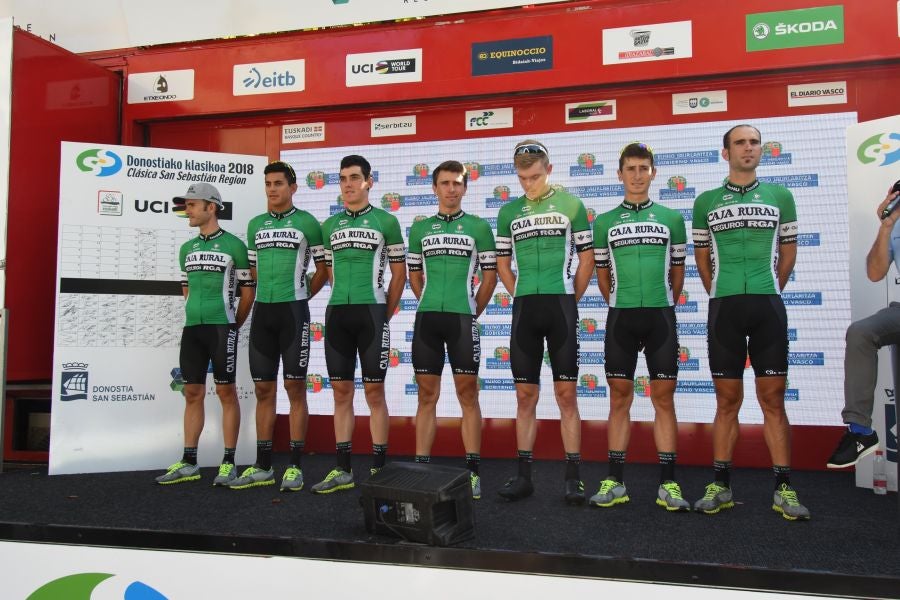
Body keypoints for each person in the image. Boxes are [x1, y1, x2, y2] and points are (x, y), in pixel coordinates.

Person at [692, 124, 809, 520]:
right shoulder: (705, 200)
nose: (748, 148)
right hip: (724, 306)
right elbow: (702, 259)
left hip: (766, 305)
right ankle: (721, 485)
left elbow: (788, 252)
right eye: (740, 142)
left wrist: (772, 285)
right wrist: (718, 291)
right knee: (727, 400)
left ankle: (784, 489)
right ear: (725, 153)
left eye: (754, 142)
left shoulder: (781, 196)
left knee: (772, 399)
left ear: (762, 150)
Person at [590, 142, 689, 511]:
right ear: (619, 174)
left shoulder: (671, 219)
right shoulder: (603, 222)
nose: (636, 175)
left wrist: (664, 302)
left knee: (663, 398)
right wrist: (619, 303)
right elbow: (603, 278)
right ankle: (615, 480)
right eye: (630, 168)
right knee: (619, 397)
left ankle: (669, 484)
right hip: (622, 317)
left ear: (653, 173)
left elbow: (677, 276)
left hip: (661, 315)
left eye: (643, 168)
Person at [495, 140, 594, 504]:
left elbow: (587, 260)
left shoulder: (572, 205)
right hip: (525, 308)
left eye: (534, 176)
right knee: (525, 395)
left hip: (560, 305)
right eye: (522, 177)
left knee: (566, 395)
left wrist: (570, 298)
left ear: (548, 170)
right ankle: (524, 477)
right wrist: (519, 292)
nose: (528, 183)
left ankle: (573, 477)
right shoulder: (508, 212)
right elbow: (503, 264)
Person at [228, 161, 328, 491]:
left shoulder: (308, 223)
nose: (272, 189)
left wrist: (301, 296)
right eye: (268, 184)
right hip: (263, 315)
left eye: (278, 183)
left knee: (295, 389)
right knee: (263, 390)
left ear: (293, 187)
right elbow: (252, 274)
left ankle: (296, 467)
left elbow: (323, 270)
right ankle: (264, 465)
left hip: (293, 313)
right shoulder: (256, 224)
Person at [311, 155, 406, 493]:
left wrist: (386, 312)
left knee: (374, 392)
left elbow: (400, 274)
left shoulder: (387, 222)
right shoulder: (329, 226)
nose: (348, 184)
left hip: (371, 314)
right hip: (337, 313)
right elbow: (329, 272)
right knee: (340, 391)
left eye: (354, 177)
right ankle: (342, 468)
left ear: (369, 182)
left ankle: (379, 467)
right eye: (342, 178)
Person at [408, 160, 498, 499]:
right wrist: (428, 300)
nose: (450, 189)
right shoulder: (420, 229)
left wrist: (474, 309)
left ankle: (473, 472)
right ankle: (419, 470)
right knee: (426, 396)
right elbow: (415, 275)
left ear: (465, 187)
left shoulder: (478, 227)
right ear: (434, 188)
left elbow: (489, 278)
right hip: (428, 320)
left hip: (462, 320)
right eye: (444, 183)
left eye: (456, 183)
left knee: (468, 396)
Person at [156, 183, 255, 485]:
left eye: (192, 205)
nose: (188, 210)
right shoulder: (187, 248)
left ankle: (228, 462)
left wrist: (232, 326)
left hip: (220, 327)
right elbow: (186, 289)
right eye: (186, 205)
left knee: (226, 392)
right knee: (192, 393)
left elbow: (248, 293)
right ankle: (189, 462)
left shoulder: (234, 246)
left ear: (211, 207)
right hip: (193, 330)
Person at [826, 185, 900, 468]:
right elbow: (875, 272)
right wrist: (886, 226)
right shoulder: (894, 224)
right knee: (860, 331)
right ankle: (860, 432)